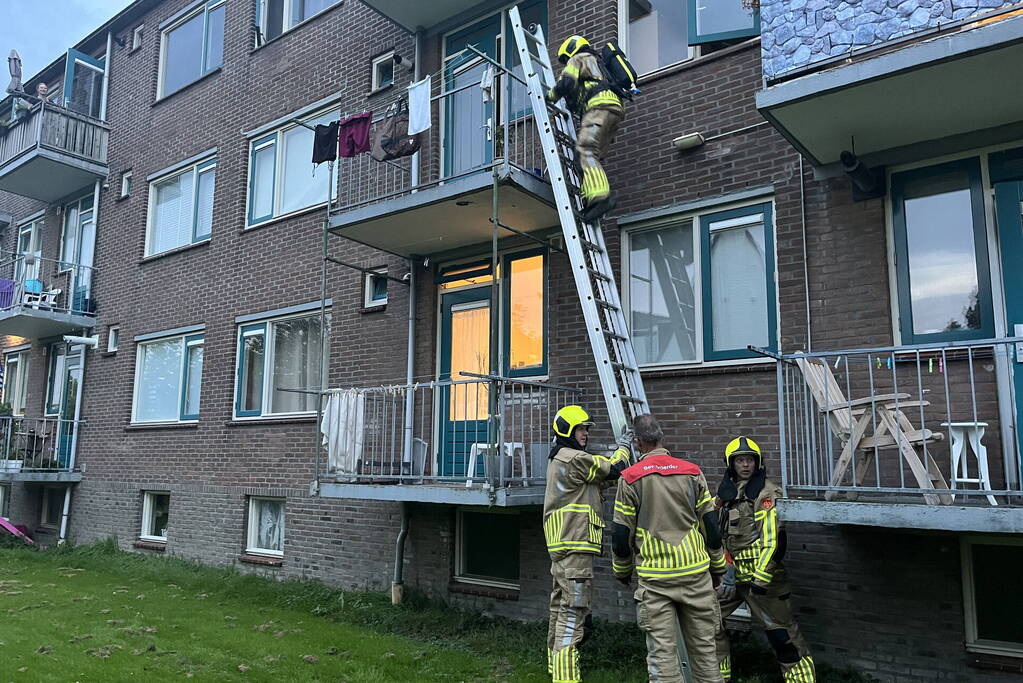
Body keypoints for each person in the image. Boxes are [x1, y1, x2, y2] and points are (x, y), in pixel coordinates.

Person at [612, 414, 726, 683]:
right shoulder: (692, 471)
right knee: (706, 657)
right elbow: (711, 526)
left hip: (656, 579)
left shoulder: (629, 479)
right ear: (661, 438)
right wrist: (717, 568)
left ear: (638, 443)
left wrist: (622, 572)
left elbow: (620, 535)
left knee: (663, 661)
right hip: (696, 574)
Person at [715, 436, 815, 682]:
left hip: (763, 583)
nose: (745, 465)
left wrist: (760, 579)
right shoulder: (726, 494)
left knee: (783, 637)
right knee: (707, 622)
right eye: (740, 460)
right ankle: (717, 677)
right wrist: (724, 569)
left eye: (749, 460)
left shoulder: (765, 493)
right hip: (732, 578)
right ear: (732, 464)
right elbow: (718, 535)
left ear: (757, 462)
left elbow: (772, 541)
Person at [544, 404, 632, 683]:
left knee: (559, 606)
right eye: (580, 428)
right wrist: (625, 448)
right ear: (567, 430)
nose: (585, 433)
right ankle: (566, 677)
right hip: (576, 542)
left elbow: (593, 483)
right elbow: (613, 469)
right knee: (574, 609)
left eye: (586, 428)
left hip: (563, 544)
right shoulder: (574, 458)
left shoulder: (561, 458)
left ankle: (553, 665)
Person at [545, 35, 624, 223]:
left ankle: (601, 197)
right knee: (586, 157)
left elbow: (567, 82)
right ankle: (592, 201)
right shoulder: (599, 63)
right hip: (614, 110)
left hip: (599, 106)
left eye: (565, 59)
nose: (566, 63)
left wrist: (549, 96)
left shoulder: (578, 58)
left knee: (585, 151)